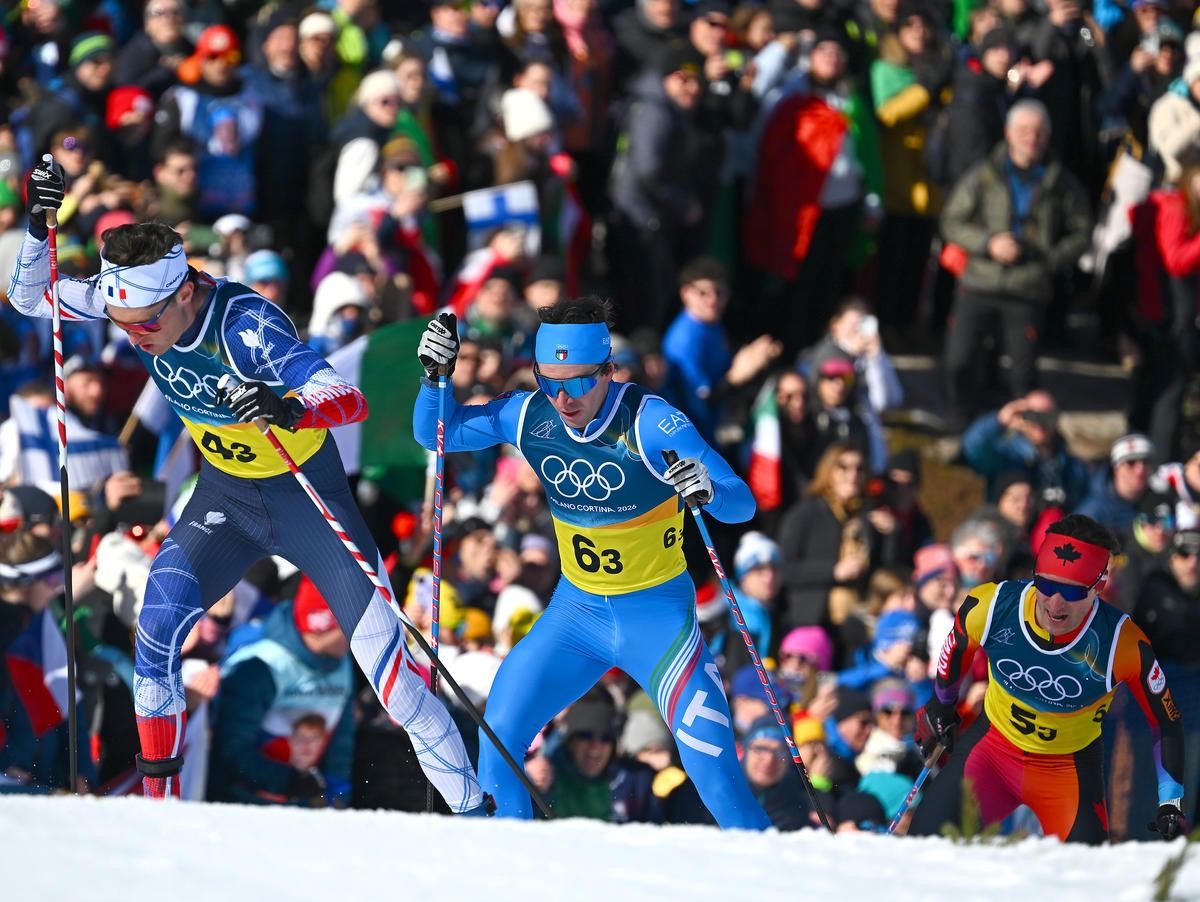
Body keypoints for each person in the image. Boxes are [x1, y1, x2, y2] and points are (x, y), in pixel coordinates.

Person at [10, 160, 486, 813]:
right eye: (122, 324)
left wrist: (286, 407)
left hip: (306, 500)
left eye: (145, 323)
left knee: (395, 684)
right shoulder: (132, 299)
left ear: (184, 294)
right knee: (155, 632)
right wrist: (38, 228)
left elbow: (349, 400)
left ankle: (474, 813)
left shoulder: (246, 327)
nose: (137, 338)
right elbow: (31, 299)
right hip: (226, 501)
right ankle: (159, 810)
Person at [413, 295, 772, 829]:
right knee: (499, 733)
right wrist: (434, 379)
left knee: (717, 779)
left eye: (579, 382)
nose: (563, 398)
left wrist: (708, 490)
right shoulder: (530, 415)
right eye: (549, 381)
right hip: (576, 616)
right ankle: (502, 863)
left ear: (608, 371)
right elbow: (434, 434)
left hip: (658, 623)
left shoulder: (652, 423)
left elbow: (741, 502)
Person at [910, 514, 1187, 843]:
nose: (1055, 603)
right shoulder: (992, 606)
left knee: (1083, 872)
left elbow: (1166, 722)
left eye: (1072, 591)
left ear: (1098, 587)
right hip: (992, 753)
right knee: (924, 845)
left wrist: (1170, 801)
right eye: (1046, 585)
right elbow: (957, 646)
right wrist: (940, 705)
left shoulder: (1121, 643)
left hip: (1066, 772)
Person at [940, 100, 1091, 426]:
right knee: (959, 360)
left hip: (1028, 287)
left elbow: (1082, 231)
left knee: (1023, 372)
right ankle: (959, 423)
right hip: (980, 280)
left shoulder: (1060, 182)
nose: (1031, 138)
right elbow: (951, 221)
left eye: (1038, 132)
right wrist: (988, 244)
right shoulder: (985, 174)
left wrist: (1049, 260)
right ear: (1008, 133)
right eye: (1023, 130)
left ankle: (1024, 431)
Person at [208, 579, 355, 806]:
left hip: (303, 804)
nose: (357, 635)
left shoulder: (343, 663)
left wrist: (337, 791)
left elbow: (341, 738)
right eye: (350, 625)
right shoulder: (262, 665)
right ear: (322, 627)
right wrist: (290, 782)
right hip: (245, 804)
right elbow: (232, 749)